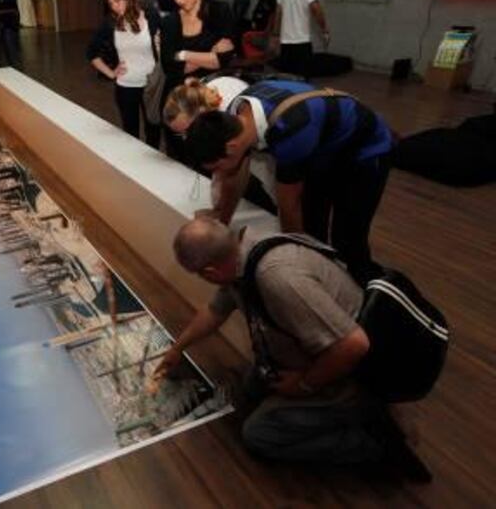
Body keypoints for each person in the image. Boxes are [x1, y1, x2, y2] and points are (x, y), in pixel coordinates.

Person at [151, 218, 427, 476]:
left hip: (353, 372)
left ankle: (375, 444)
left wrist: (303, 385)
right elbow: (215, 311)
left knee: (259, 434)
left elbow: (353, 346)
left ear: (210, 272)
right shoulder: (241, 254)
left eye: (200, 275)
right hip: (310, 354)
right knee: (249, 391)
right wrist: (178, 348)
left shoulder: (277, 277)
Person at [185, 80, 394, 284]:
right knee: (313, 226)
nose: (217, 174)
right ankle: (324, 279)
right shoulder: (234, 114)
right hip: (323, 147)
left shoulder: (289, 131)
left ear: (231, 148)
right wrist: (221, 222)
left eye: (215, 168)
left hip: (366, 151)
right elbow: (234, 177)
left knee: (348, 238)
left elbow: (289, 207)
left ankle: (369, 292)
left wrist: (291, 265)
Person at [162, 75, 278, 216]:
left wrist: (220, 214)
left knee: (274, 190)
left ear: (201, 113)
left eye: (188, 131)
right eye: (181, 135)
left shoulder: (227, 116)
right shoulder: (198, 95)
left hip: (270, 143)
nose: (187, 138)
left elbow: (229, 173)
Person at [160, 0, 235, 170]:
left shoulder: (219, 11)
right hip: (177, 98)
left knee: (209, 159)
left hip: (209, 98)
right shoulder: (169, 22)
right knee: (179, 160)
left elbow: (224, 59)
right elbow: (169, 66)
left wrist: (183, 54)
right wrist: (209, 55)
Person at [87, 0, 162, 148]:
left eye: (118, 0)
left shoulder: (151, 15)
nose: (114, 5)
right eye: (111, 1)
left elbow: (162, 49)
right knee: (131, 134)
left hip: (151, 86)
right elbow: (91, 52)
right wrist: (111, 72)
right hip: (126, 86)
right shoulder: (110, 23)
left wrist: (160, 47)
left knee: (154, 132)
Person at [271, 0, 329, 79]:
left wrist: (275, 35)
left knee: (287, 79)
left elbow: (278, 13)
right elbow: (315, 7)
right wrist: (324, 29)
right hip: (302, 42)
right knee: (303, 79)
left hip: (285, 43)